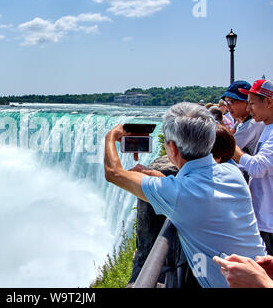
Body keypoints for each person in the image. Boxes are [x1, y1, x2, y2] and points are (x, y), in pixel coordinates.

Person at [104, 102, 266, 288]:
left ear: (172, 148)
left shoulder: (179, 194)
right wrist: (158, 177)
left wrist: (111, 136)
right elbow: (196, 189)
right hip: (262, 275)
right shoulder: (233, 173)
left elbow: (113, 172)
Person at [232, 79, 273, 255]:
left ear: (269, 102)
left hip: (269, 220)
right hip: (264, 216)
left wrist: (230, 148)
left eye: (252, 104)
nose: (249, 109)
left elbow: (258, 167)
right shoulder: (266, 127)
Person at [223, 80, 265, 156]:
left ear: (247, 103)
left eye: (231, 102)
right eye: (226, 102)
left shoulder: (251, 124)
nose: (227, 106)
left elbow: (226, 151)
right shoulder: (241, 121)